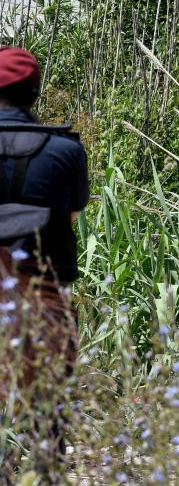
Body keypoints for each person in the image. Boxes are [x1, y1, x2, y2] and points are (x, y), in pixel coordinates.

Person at [0, 47, 89, 479]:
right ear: (34, 92)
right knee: (50, 389)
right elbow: (72, 213)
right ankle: (46, 470)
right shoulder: (65, 149)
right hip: (44, 284)